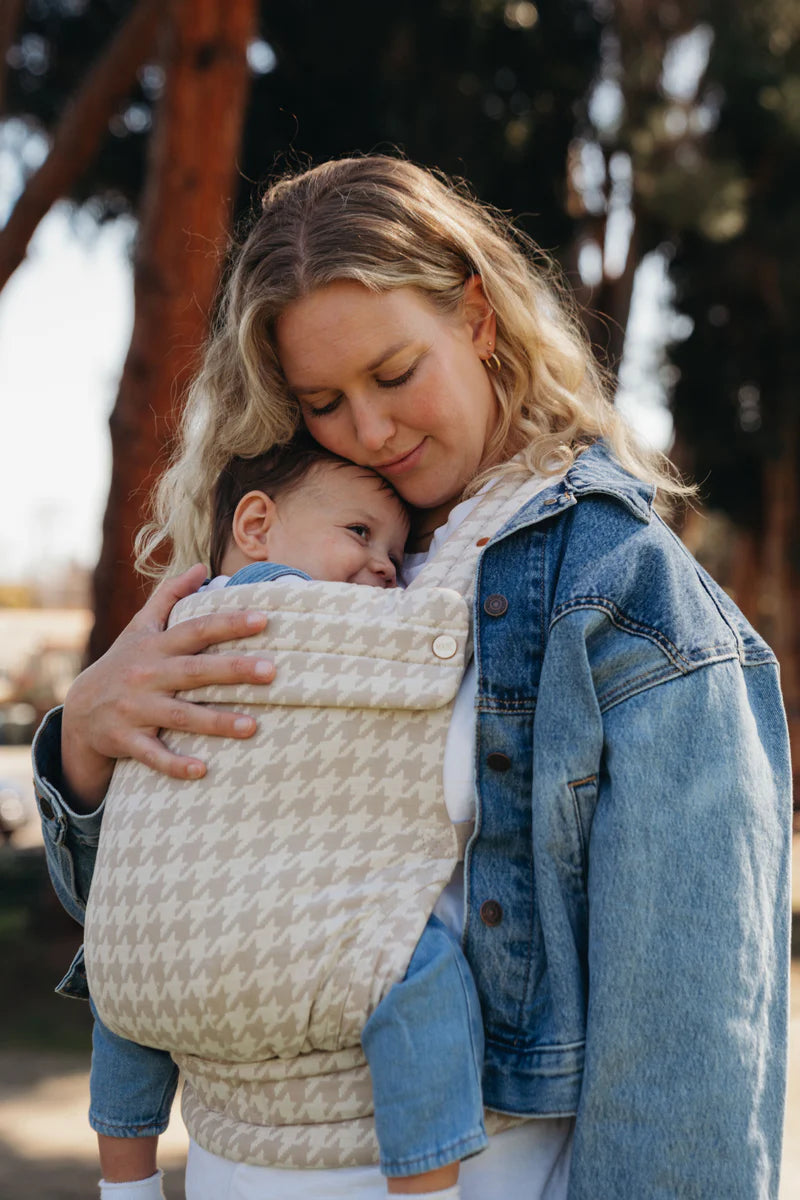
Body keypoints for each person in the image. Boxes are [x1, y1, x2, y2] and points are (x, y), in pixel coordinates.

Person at [34, 156, 791, 1200]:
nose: (371, 431)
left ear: (477, 317)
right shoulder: (270, 573)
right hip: (224, 1163)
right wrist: (80, 744)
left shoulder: (621, 592)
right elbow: (154, 912)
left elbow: (690, 1030)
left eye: (394, 375)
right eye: (323, 401)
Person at [81, 438, 493, 1199]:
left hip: (168, 914)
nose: (384, 568)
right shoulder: (266, 594)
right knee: (424, 977)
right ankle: (429, 1184)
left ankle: (125, 1182)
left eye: (397, 553)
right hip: (292, 930)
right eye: (359, 532)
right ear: (256, 527)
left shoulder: (163, 636)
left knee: (123, 978)